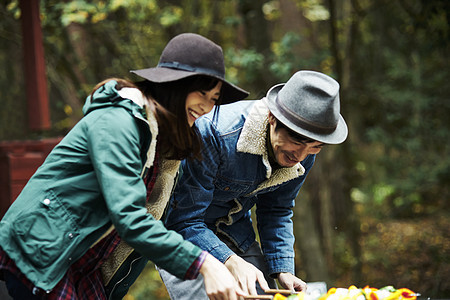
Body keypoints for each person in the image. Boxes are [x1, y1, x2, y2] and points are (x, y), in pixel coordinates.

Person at [0, 33, 249, 300]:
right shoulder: (119, 122)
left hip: (81, 263)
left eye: (214, 98)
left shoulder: (163, 144)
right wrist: (204, 264)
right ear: (175, 84)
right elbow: (130, 219)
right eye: (202, 93)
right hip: (41, 248)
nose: (207, 106)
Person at [159, 70, 348, 299]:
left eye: (316, 147)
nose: (301, 155)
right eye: (296, 141)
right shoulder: (215, 134)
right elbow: (184, 220)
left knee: (263, 293)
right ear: (272, 118)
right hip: (181, 233)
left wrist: (283, 268)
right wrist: (229, 261)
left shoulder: (304, 152)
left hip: (236, 230)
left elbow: (277, 208)